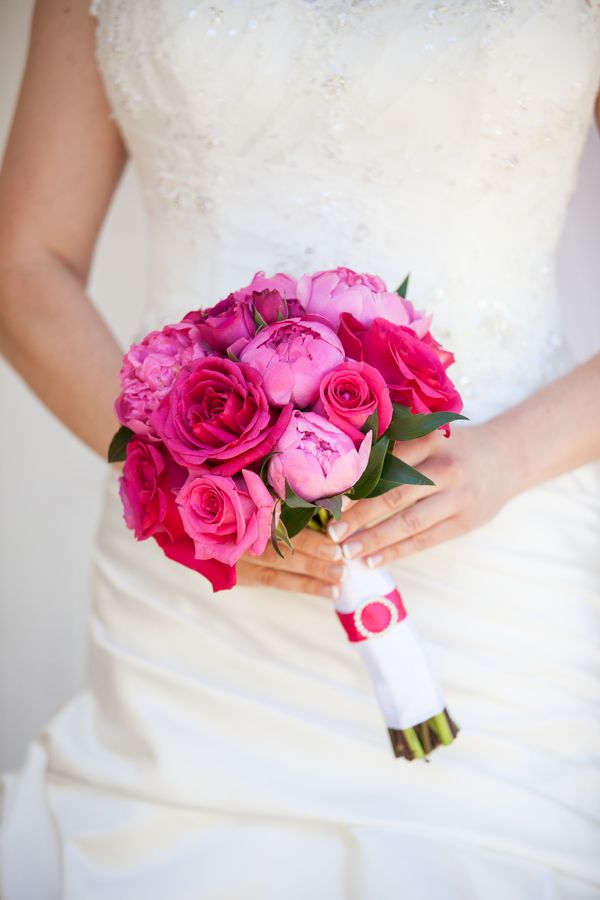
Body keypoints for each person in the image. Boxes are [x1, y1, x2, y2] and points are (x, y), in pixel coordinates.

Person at [0, 1, 599, 897]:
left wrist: (507, 459)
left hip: (494, 570)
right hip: (192, 604)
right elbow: (24, 262)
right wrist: (176, 485)